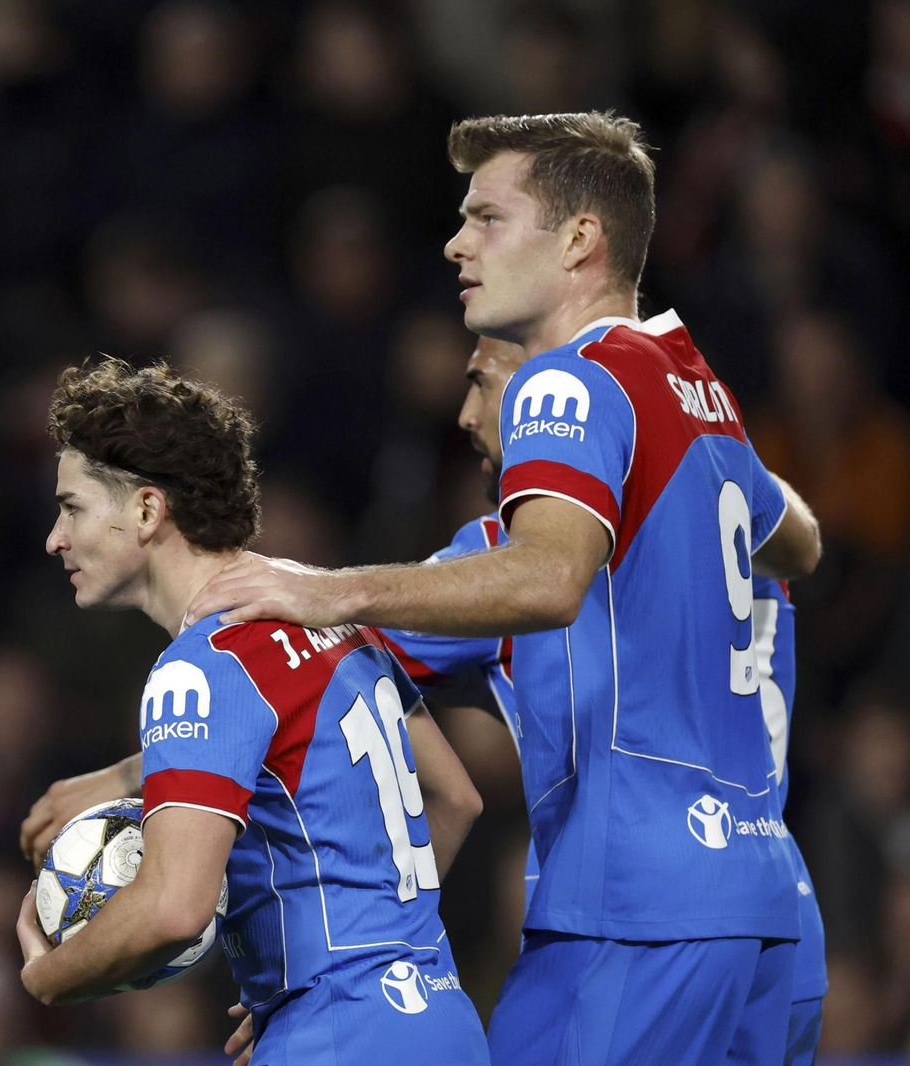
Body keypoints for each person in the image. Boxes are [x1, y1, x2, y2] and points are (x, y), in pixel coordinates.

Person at [182, 113, 824, 1065]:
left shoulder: (567, 381)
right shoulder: (696, 391)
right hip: (769, 905)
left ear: (578, 240)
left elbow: (547, 578)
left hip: (635, 906)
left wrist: (331, 590)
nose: (455, 241)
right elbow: (801, 544)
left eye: (486, 217)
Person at [12, 359, 489, 1065]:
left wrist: (45, 976)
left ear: (147, 510)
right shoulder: (322, 606)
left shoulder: (200, 667)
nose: (55, 537)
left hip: (339, 1035)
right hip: (440, 1020)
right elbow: (453, 797)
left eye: (72, 507)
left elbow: (174, 908)